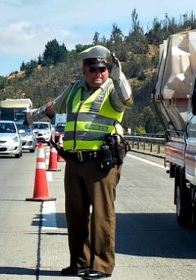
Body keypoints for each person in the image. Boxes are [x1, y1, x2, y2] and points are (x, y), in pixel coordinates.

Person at [29, 45, 133, 279]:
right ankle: (80, 263)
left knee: (102, 216)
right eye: (94, 68)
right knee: (75, 215)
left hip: (101, 163)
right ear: (84, 70)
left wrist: (118, 75)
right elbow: (52, 108)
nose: (99, 73)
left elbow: (127, 99)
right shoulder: (74, 90)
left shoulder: (111, 91)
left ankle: (102, 266)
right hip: (75, 162)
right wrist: (31, 116)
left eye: (103, 69)